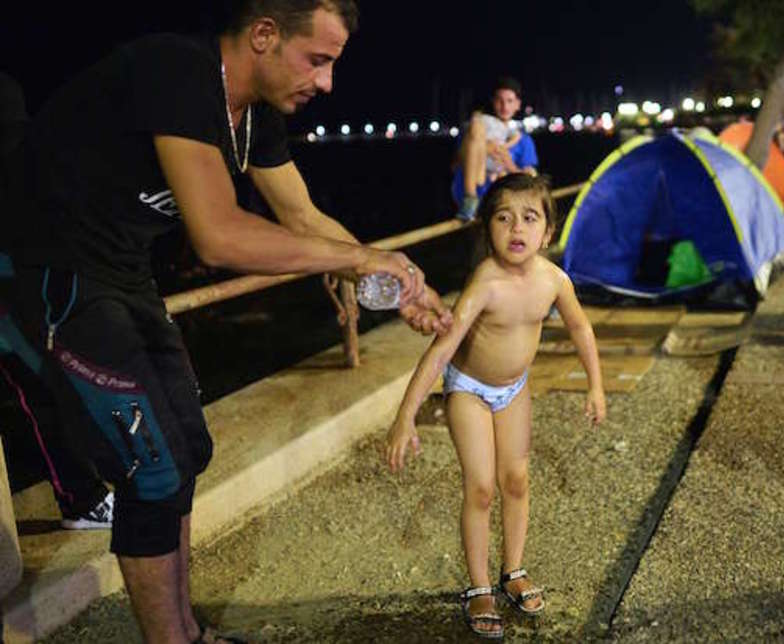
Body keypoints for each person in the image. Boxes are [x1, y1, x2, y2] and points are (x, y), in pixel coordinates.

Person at [0, 2, 452, 642]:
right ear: (264, 34)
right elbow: (218, 235)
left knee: (187, 447)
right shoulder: (177, 71)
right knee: (150, 469)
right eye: (317, 60)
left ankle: (188, 629)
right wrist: (359, 257)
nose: (326, 83)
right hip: (49, 271)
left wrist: (403, 280)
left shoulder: (255, 118)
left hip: (120, 272)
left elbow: (300, 217)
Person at [385, 173, 606, 639]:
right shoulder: (485, 282)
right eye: (504, 218)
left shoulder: (554, 280)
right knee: (482, 487)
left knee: (517, 480)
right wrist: (405, 417)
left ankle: (513, 571)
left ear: (548, 231)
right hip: (468, 387)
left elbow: (581, 329)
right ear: (488, 229)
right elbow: (442, 350)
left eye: (530, 218)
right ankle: (479, 586)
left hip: (514, 388)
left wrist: (596, 387)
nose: (517, 229)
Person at [1, 71, 115, 532]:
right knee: (45, 386)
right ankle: (82, 500)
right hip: (12, 284)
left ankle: (83, 498)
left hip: (19, 277)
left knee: (50, 385)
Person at [452, 77, 539, 222]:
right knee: (476, 126)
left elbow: (529, 177)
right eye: (500, 100)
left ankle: (475, 201)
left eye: (510, 101)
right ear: (493, 101)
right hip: (472, 195)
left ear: (518, 104)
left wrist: (506, 161)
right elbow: (455, 167)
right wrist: (483, 148)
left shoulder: (523, 140)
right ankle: (470, 200)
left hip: (503, 204)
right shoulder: (474, 129)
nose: (504, 106)